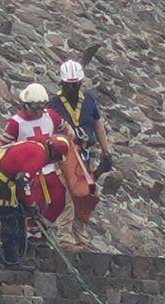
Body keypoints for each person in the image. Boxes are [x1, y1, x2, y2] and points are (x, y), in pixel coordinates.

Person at [0, 136, 72, 267]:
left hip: (3, 177)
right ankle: (10, 258)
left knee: (19, 214)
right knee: (9, 216)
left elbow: (23, 181)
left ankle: (18, 253)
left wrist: (27, 204)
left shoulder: (36, 147)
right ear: (54, 154)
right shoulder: (39, 155)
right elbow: (22, 179)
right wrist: (30, 204)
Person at [50, 59, 112, 246]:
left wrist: (106, 150)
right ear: (62, 83)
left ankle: (80, 233)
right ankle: (65, 234)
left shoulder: (89, 100)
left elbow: (98, 123)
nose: (72, 89)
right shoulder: (54, 104)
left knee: (86, 195)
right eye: (69, 85)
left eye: (75, 85)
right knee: (67, 194)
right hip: (66, 155)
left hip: (86, 154)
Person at [2, 83, 67, 247]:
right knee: (33, 200)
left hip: (49, 167)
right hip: (28, 170)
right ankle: (31, 233)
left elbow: (64, 131)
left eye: (41, 107)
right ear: (26, 104)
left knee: (59, 199)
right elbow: (4, 148)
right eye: (34, 108)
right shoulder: (16, 123)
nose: (38, 112)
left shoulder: (51, 116)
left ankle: (44, 228)